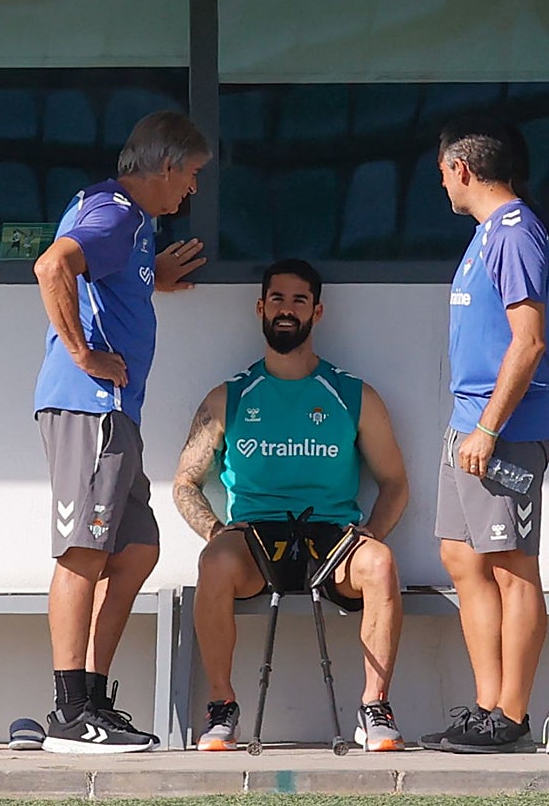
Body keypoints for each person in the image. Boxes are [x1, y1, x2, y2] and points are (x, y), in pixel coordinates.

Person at [172, 258, 411, 752]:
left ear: (316, 312)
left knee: (381, 563)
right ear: (260, 307)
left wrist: (374, 531)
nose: (287, 309)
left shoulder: (353, 395)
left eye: (299, 300)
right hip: (254, 539)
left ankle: (375, 707)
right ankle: (222, 707)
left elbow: (394, 483)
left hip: (333, 537)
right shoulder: (229, 397)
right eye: (277, 299)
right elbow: (184, 482)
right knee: (213, 562)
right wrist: (215, 531)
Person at [32, 111, 211, 753]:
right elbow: (53, 266)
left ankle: (93, 697)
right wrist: (84, 355)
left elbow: (99, 275)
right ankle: (68, 712)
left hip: (117, 415)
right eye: (191, 175)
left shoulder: (131, 224)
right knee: (84, 551)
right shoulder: (113, 213)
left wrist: (149, 275)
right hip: (91, 408)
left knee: (135, 549)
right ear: (166, 165)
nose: (192, 190)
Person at [420, 116, 549, 754]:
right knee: (462, 557)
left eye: (443, 172)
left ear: (462, 169)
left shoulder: (515, 232)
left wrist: (487, 427)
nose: (441, 184)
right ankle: (486, 708)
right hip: (468, 423)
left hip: (503, 431)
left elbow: (528, 343)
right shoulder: (486, 234)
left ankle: (512, 715)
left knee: (511, 566)